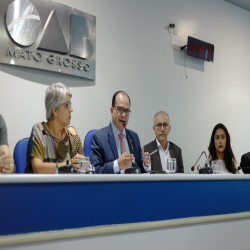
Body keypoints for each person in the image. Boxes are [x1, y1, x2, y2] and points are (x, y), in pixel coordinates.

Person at [25, 83, 84, 173]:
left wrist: (85, 164)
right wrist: (69, 164)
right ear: (55, 111)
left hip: (68, 186)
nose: (71, 109)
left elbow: (85, 169)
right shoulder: (40, 130)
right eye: (67, 105)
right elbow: (38, 168)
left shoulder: (71, 134)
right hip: (43, 186)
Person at [90, 91, 150, 174]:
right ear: (112, 110)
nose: (124, 115)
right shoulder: (99, 138)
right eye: (120, 110)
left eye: (126, 111)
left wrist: (146, 164)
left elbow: (139, 169)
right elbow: (94, 171)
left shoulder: (134, 137)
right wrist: (117, 164)